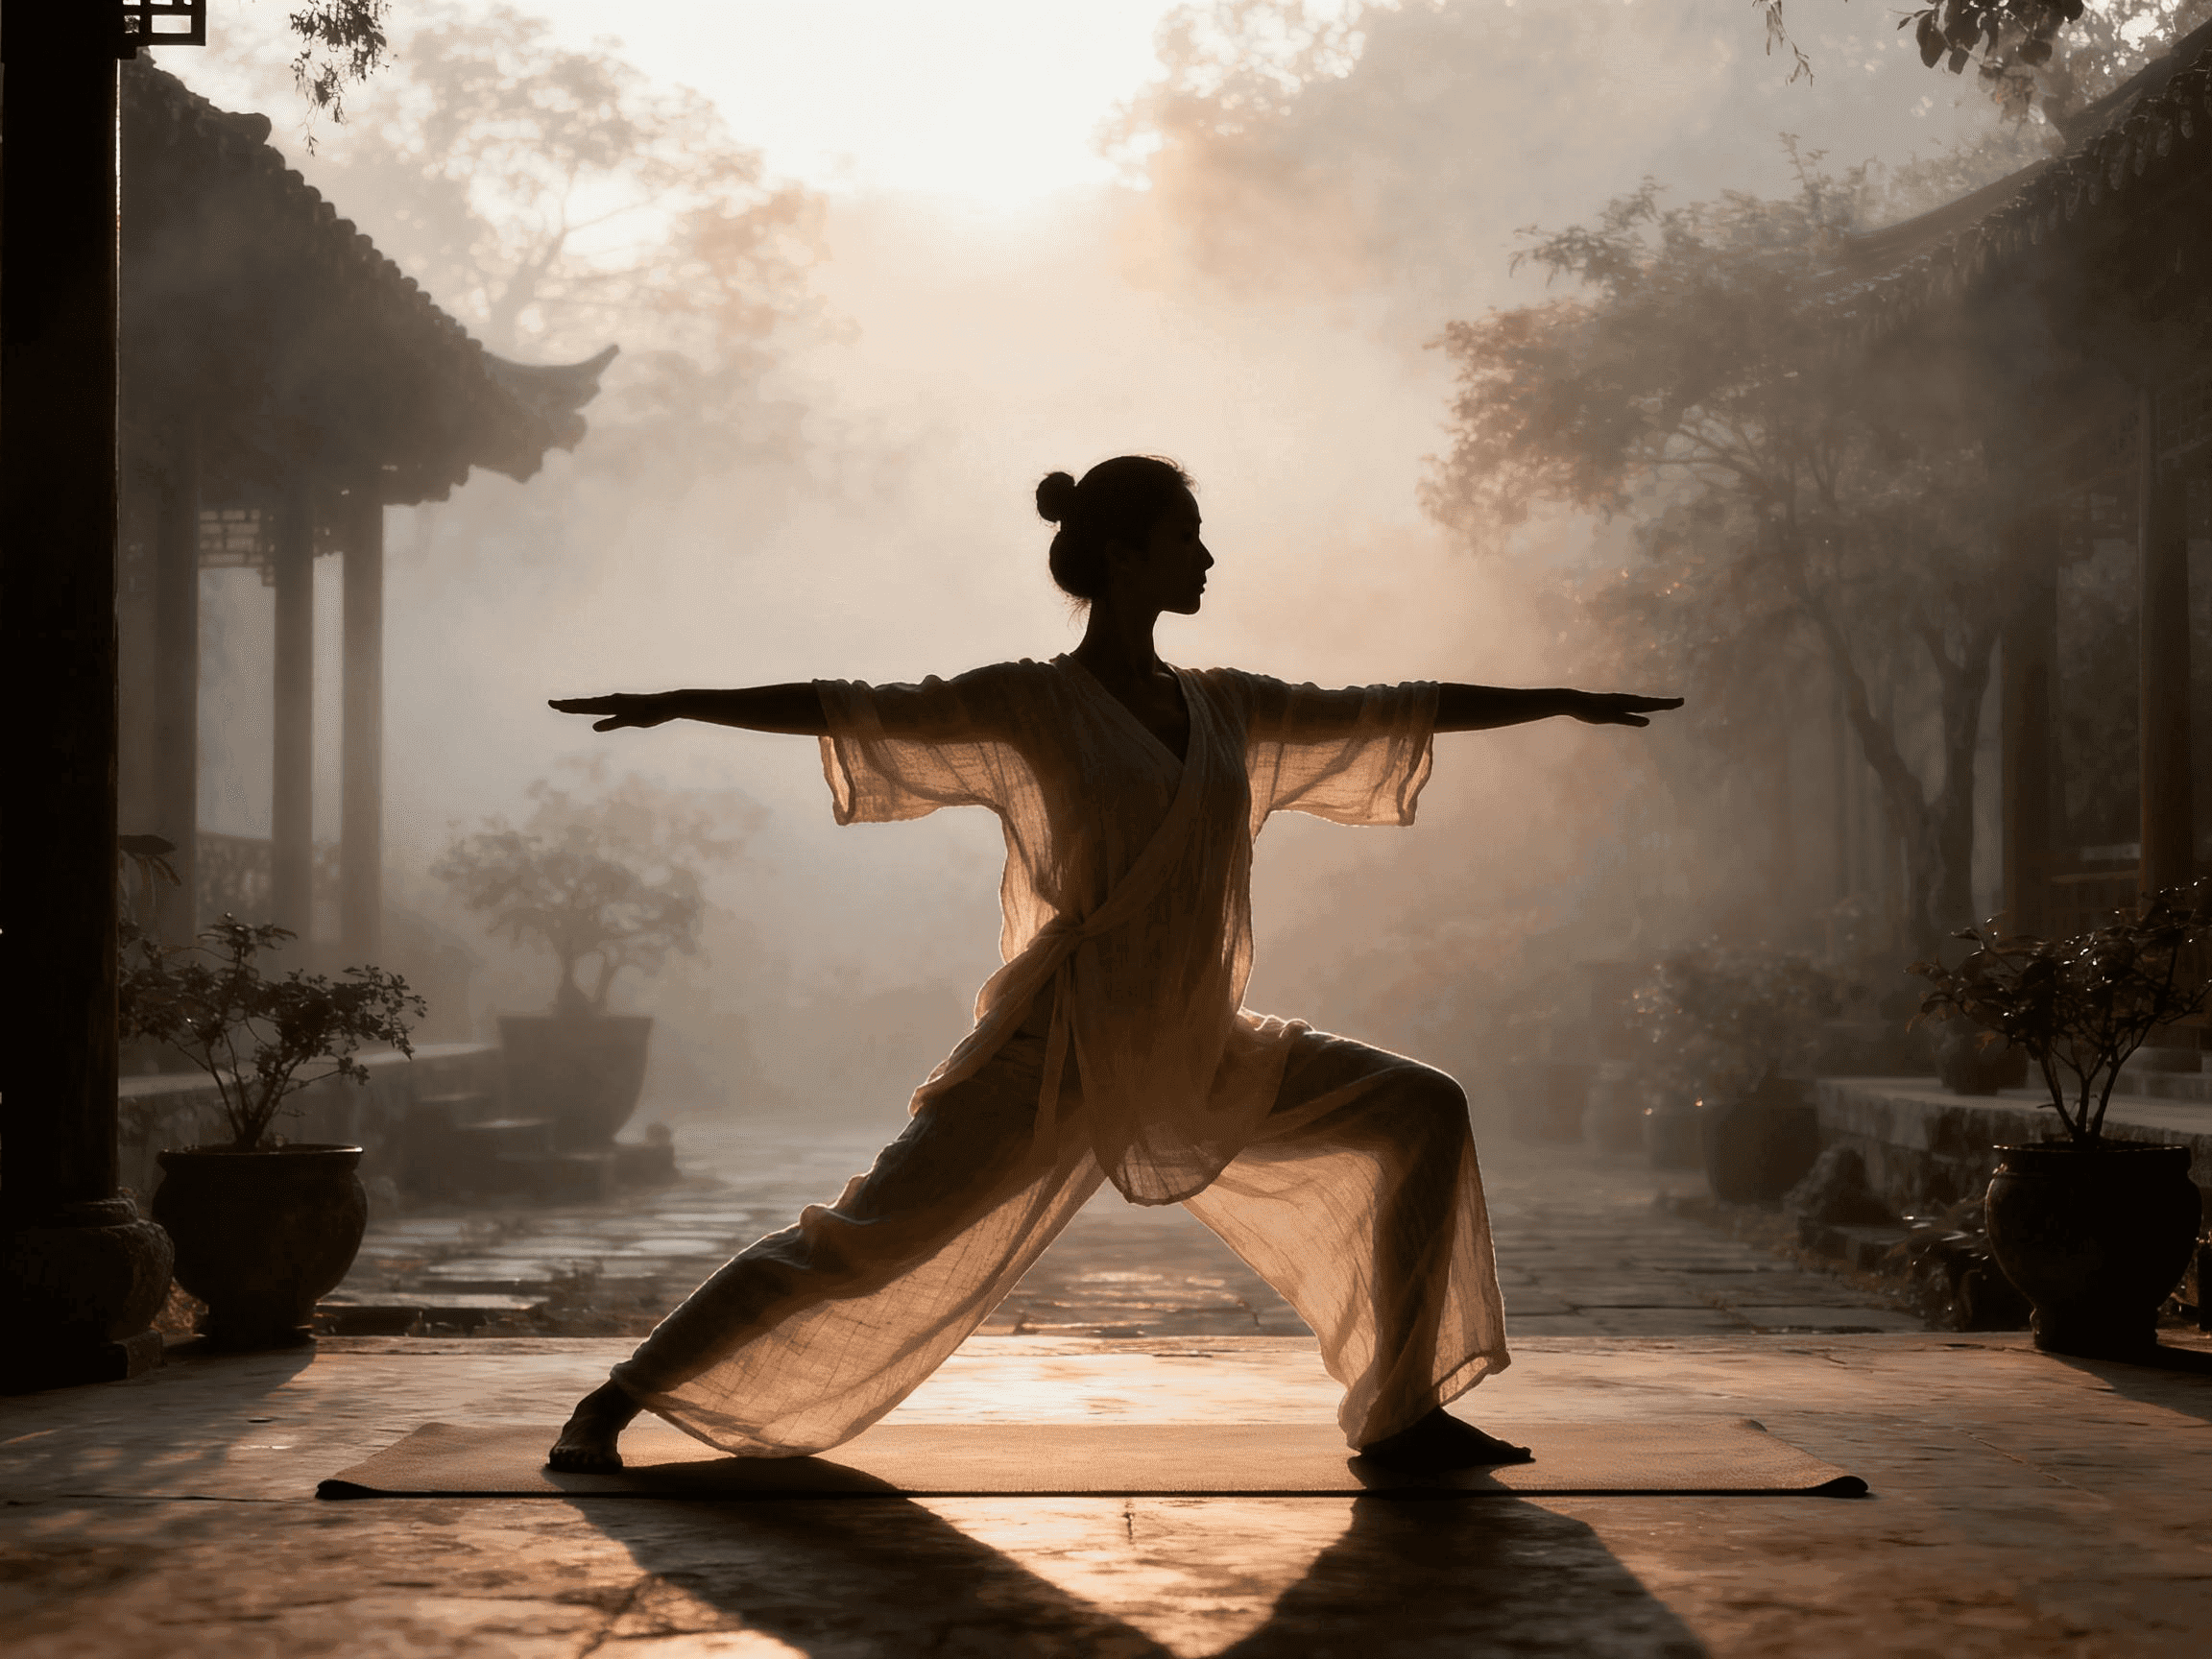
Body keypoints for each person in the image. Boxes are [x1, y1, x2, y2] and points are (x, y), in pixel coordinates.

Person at [543, 455, 1679, 1474]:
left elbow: (1392, 709)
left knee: (1422, 1108)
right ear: (1125, 555)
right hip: (1057, 1050)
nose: (1207, 560)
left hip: (1199, 1049)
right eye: (1187, 538)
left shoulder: (1229, 707)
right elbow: (856, 707)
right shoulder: (1032, 701)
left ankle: (1402, 1415)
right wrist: (679, 703)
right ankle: (613, 1400)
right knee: (862, 1244)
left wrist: (1558, 702)